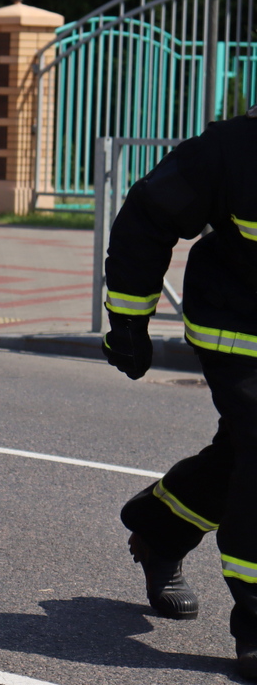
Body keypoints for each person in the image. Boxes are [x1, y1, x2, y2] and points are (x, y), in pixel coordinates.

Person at [102, 109, 257, 679]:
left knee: (244, 453)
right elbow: (146, 216)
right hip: (241, 332)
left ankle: (160, 529)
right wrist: (127, 321)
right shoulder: (232, 148)